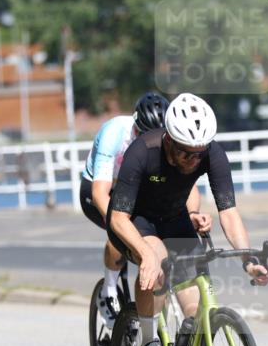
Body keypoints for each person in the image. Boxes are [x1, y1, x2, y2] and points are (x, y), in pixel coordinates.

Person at [107, 93, 268, 346]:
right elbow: (117, 218)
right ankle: (149, 344)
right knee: (155, 261)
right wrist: (145, 253)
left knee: (195, 307)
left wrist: (248, 258)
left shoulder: (211, 153)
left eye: (199, 153)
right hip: (137, 221)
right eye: (185, 153)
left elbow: (229, 213)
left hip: (175, 220)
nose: (193, 160)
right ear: (169, 140)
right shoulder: (142, 151)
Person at [80, 93, 204, 329]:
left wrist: (190, 215)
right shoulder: (115, 132)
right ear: (135, 125)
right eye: (143, 134)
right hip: (101, 188)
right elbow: (100, 194)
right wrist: (120, 227)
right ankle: (108, 291)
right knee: (119, 236)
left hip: (135, 188)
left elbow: (187, 189)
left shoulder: (170, 146)